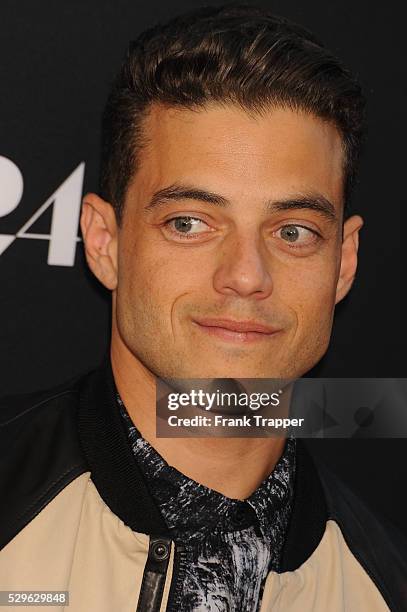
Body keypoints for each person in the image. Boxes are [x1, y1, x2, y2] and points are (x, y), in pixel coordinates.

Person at [1, 3, 406, 611]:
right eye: (189, 222)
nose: (246, 276)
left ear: (343, 263)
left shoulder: (385, 584)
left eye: (293, 231)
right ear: (105, 242)